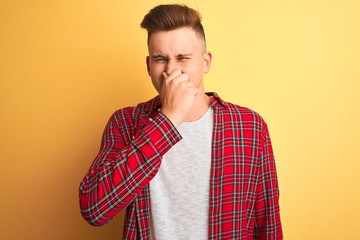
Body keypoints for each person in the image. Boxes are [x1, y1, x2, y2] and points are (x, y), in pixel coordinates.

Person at [79, 4, 282, 240]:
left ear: (205, 62)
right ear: (148, 66)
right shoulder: (125, 123)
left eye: (183, 58)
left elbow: (268, 223)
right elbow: (93, 209)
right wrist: (169, 119)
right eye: (160, 59)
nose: (171, 70)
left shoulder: (249, 127)